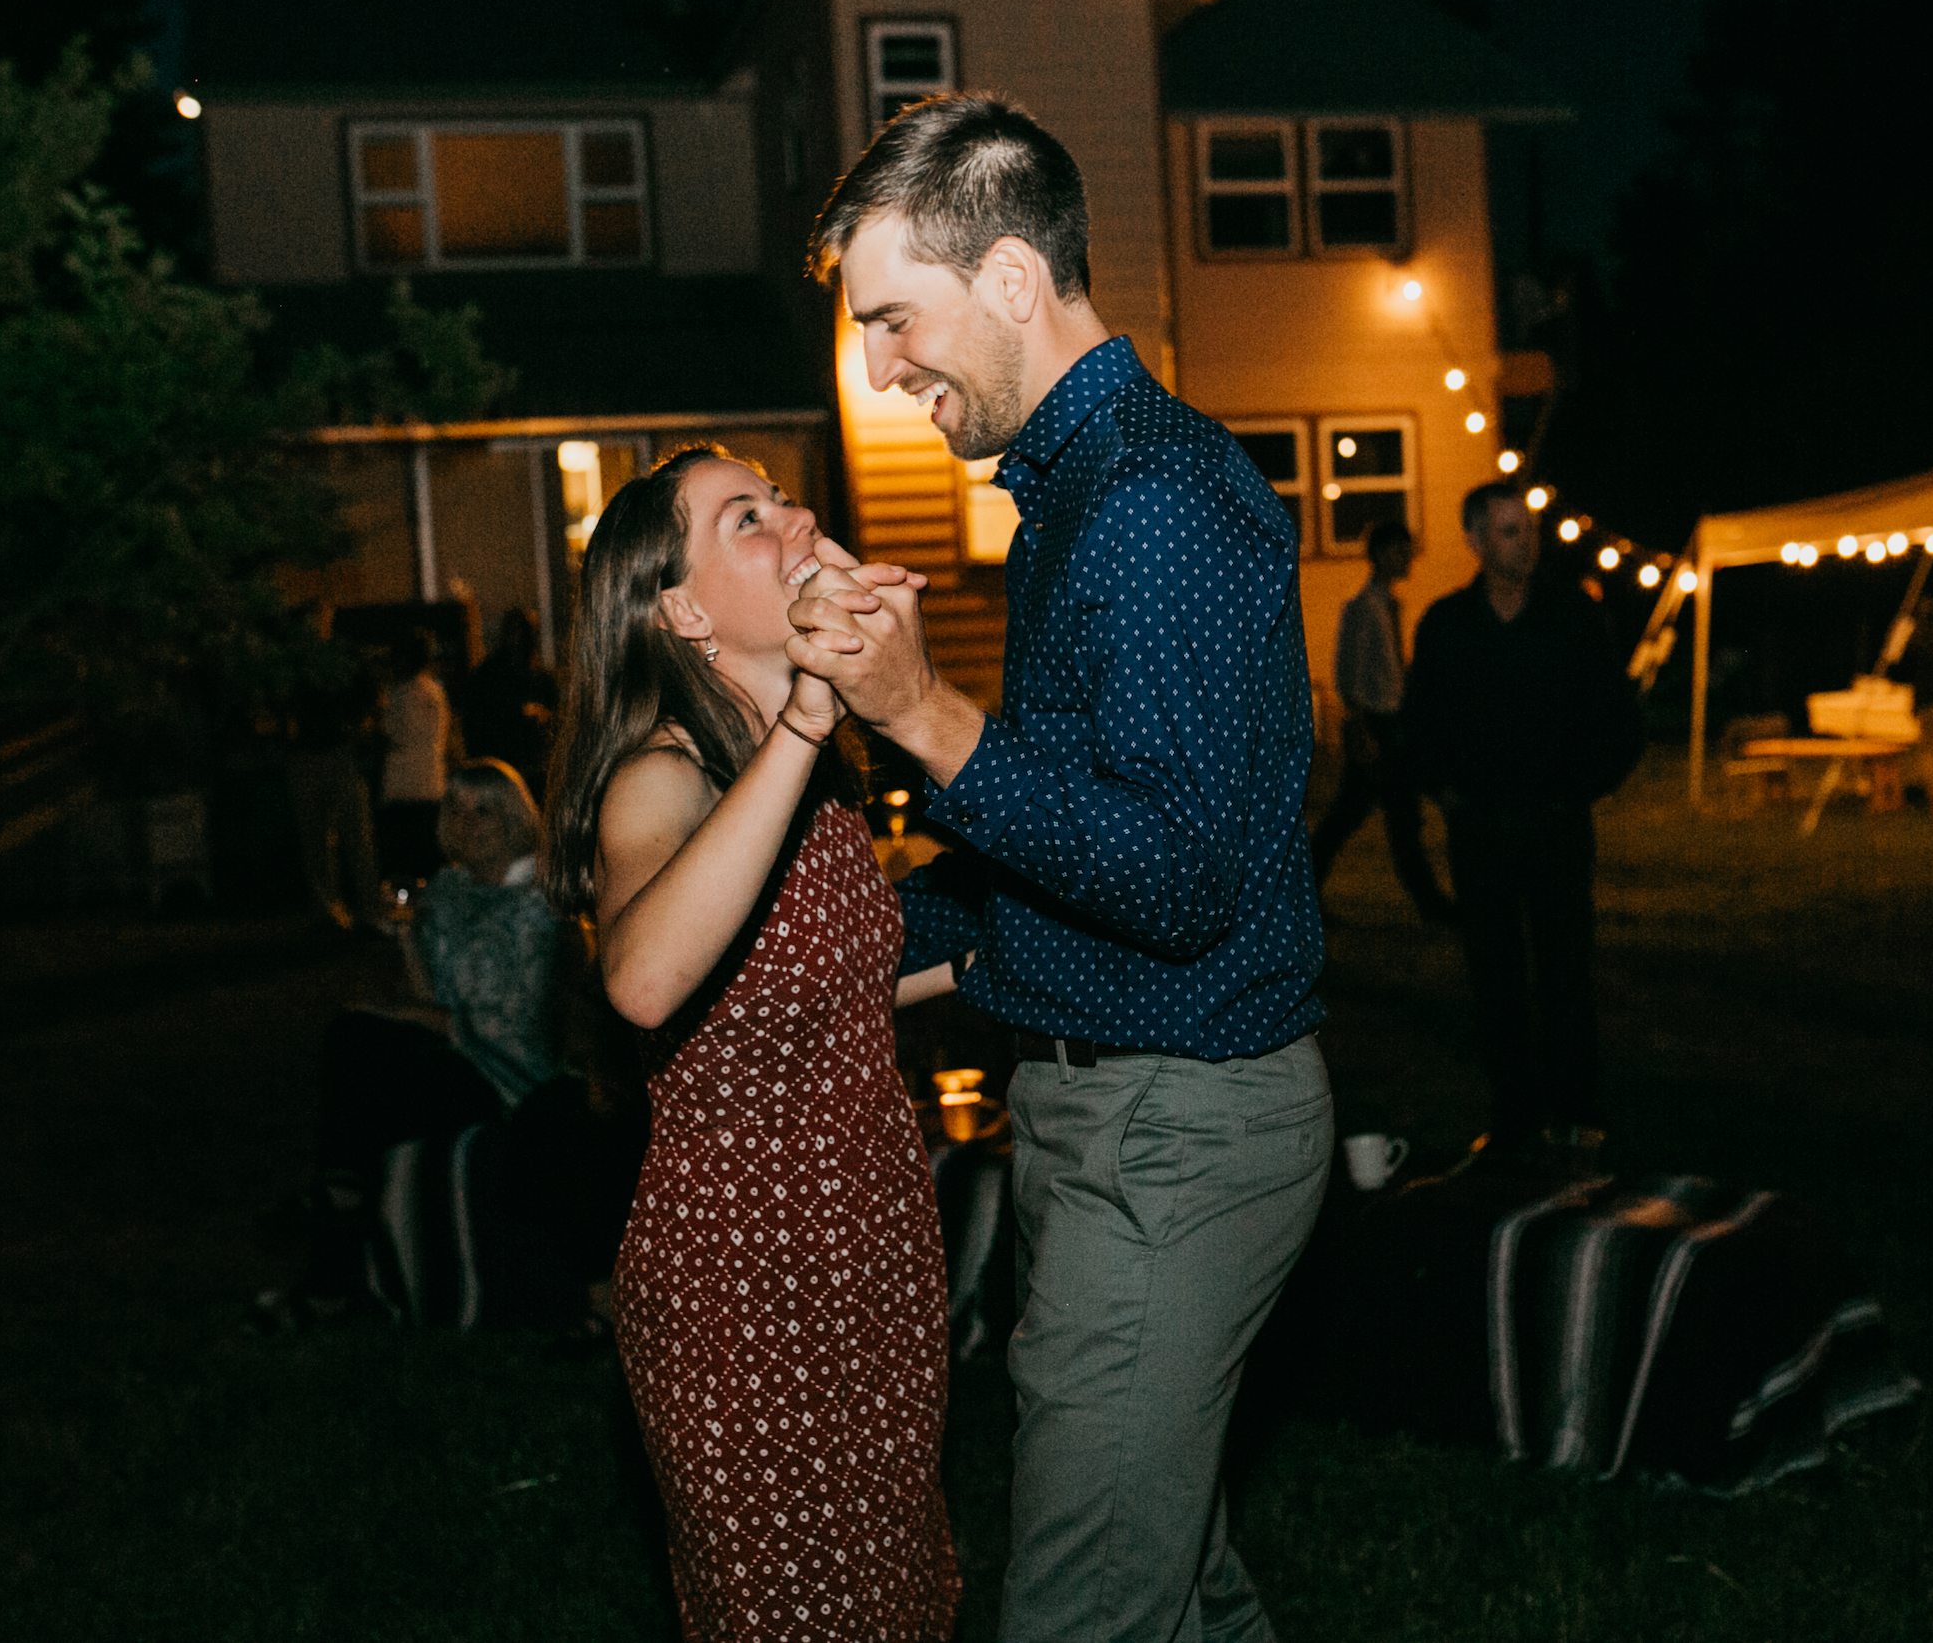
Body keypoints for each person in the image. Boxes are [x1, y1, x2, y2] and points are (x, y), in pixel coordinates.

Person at [794, 95, 1331, 1641]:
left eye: (896, 317)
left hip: (1176, 1125)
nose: (883, 368)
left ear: (1014, 278)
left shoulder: (1152, 502)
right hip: (1115, 1115)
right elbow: (1052, 860)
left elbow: (1173, 878)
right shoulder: (1079, 495)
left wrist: (924, 714)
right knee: (1178, 1591)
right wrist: (813, 967)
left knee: (1081, 1608)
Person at [543, 446, 961, 1639]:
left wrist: (991, 961)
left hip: (871, 1253)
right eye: (746, 515)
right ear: (678, 608)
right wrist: (807, 713)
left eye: (782, 496)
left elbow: (831, 990)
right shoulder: (657, 782)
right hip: (745, 1278)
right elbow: (644, 980)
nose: (795, 515)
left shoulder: (808, 783)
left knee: (895, 1601)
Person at [284, 760, 597, 1330]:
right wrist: (409, 936)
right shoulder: (449, 892)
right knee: (366, 1050)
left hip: (513, 1076)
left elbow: (514, 1025)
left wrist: (405, 1017)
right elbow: (431, 995)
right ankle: (342, 1214)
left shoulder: (540, 904)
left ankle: (335, 1209)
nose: (470, 822)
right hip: (458, 1062)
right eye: (456, 808)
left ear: (516, 819)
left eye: (486, 810)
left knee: (361, 1041)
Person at [1405, 480, 1643, 1171]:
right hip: (1480, 832)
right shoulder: (1447, 624)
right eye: (1509, 531)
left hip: (1555, 827)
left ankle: (1578, 1113)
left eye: (1529, 529)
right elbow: (1422, 723)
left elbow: (1617, 718)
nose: (1525, 543)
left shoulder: (1572, 617)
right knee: (1496, 975)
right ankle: (1515, 1115)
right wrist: (1448, 791)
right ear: (1476, 541)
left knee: (1565, 970)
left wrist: (1578, 789)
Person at [1311, 524, 1454, 920]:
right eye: (1400, 551)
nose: (1407, 559)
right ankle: (1432, 904)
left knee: (1368, 815)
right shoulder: (1362, 609)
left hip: (1391, 722)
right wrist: (1361, 730)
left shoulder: (1388, 605)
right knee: (1386, 817)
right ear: (1380, 555)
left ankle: (1431, 903)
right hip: (1377, 725)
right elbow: (1348, 674)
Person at [285, 610, 385, 932]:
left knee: (354, 834)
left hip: (336, 751)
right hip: (309, 753)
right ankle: (330, 910)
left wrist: (355, 725)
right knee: (316, 837)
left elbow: (370, 693)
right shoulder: (295, 663)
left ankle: (366, 909)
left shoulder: (343, 658)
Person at [378, 628, 453, 884]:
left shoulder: (401, 693)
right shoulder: (435, 691)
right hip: (431, 784)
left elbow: (395, 735)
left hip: (404, 789)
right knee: (430, 862)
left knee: (404, 866)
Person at [460, 608, 559, 797]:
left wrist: (543, 716)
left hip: (533, 769)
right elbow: (478, 721)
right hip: (500, 768)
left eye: (522, 632)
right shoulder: (489, 677)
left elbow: (556, 716)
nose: (517, 639)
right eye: (513, 632)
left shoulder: (540, 677)